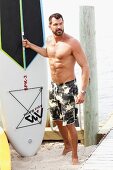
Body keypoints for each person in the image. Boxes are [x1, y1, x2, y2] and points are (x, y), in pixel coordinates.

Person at [23, 13, 90, 165]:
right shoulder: (49, 40)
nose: (59, 27)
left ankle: (75, 156)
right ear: (50, 26)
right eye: (56, 24)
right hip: (53, 86)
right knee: (57, 119)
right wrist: (31, 46)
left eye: (61, 24)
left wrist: (83, 91)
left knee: (69, 122)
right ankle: (66, 145)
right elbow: (48, 54)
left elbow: (85, 67)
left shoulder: (72, 43)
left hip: (68, 87)